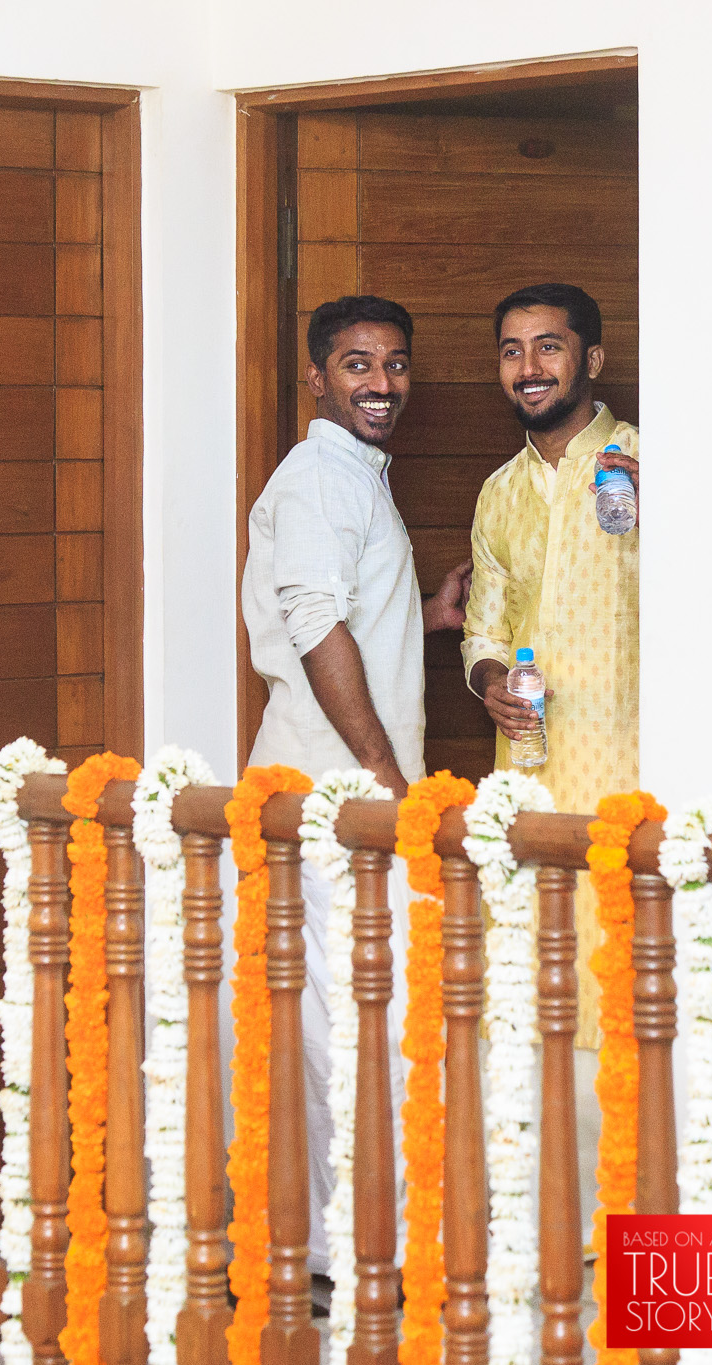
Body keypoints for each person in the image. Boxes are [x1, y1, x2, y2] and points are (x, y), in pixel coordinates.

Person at [241, 295, 472, 1283]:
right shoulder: (316, 481)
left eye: (395, 363)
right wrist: (382, 770)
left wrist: (422, 615)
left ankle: (348, 1246)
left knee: (345, 1022)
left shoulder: (350, 477)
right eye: (356, 364)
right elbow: (311, 623)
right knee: (355, 1027)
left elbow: (342, 616)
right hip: (340, 802)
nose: (381, 383)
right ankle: (364, 1253)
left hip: (339, 796)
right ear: (316, 377)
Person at [463, 282, 639, 1047]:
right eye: (512, 351)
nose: (528, 368)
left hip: (634, 764)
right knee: (529, 991)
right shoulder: (498, 494)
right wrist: (491, 683)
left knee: (627, 969)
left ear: (590, 359)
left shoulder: (645, 461)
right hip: (529, 769)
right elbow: (483, 630)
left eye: (548, 347)